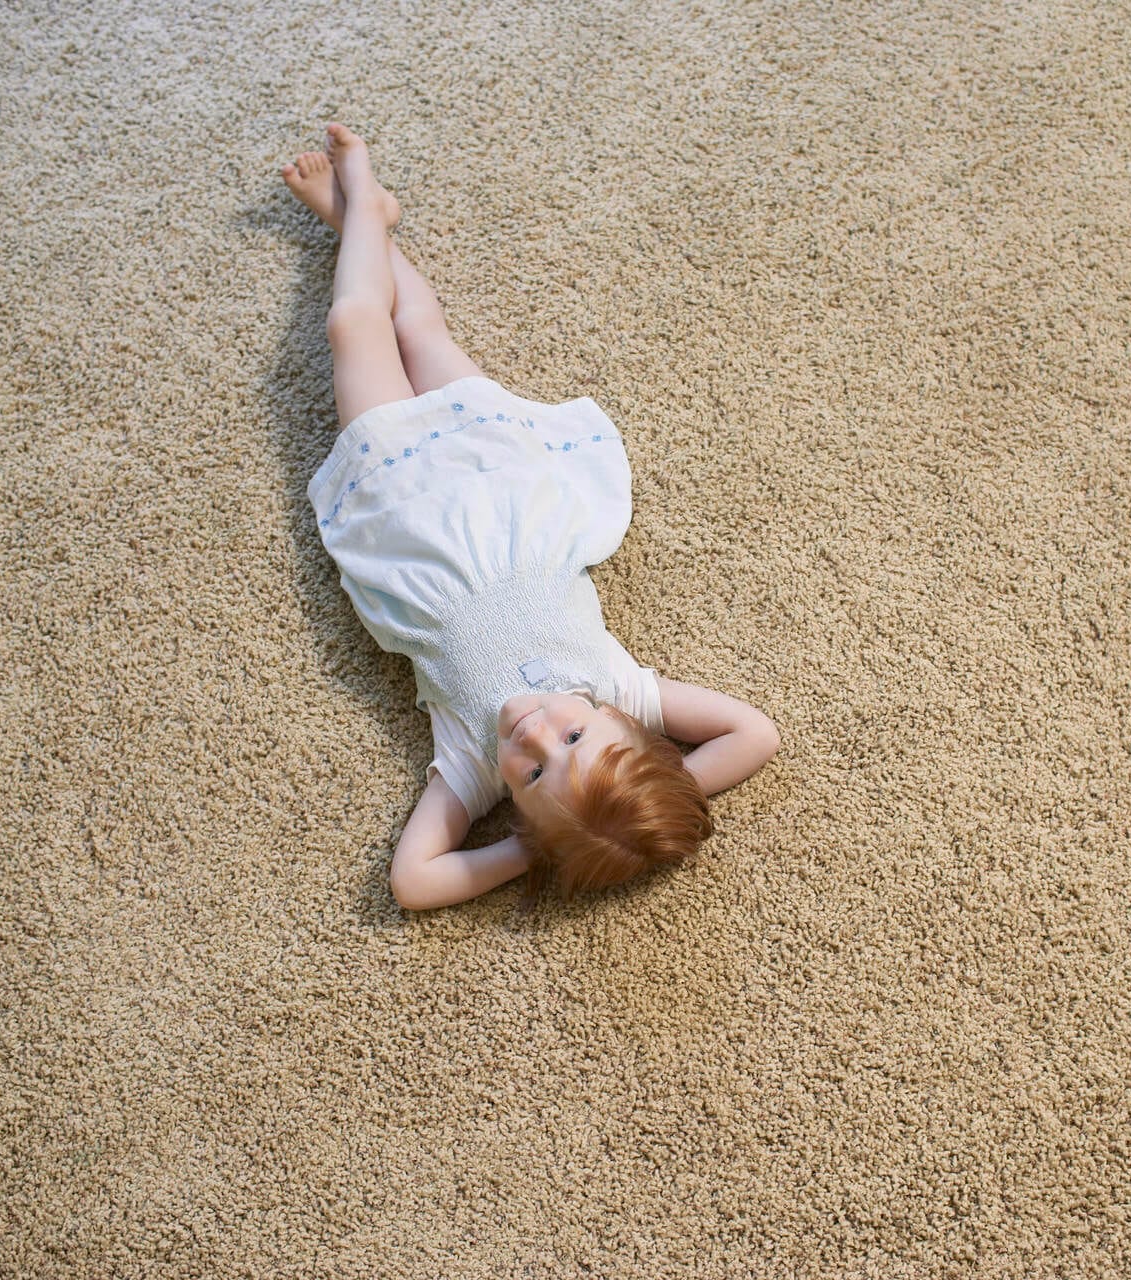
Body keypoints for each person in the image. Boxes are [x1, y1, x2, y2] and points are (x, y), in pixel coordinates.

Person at [282, 125, 781, 911]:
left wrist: (532, 849)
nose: (534, 735)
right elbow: (756, 735)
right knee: (420, 330)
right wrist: (642, 789)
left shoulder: (472, 766)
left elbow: (414, 883)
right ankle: (363, 219)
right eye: (575, 739)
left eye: (535, 775)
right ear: (619, 726)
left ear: (513, 805)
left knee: (357, 328)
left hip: (401, 505)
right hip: (502, 479)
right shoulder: (628, 695)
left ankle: (362, 215)